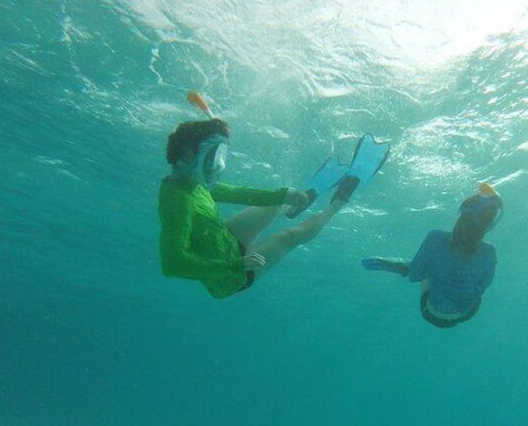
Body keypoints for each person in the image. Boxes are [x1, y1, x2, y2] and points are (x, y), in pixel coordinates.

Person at [158, 118, 388, 298]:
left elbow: (236, 193)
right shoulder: (177, 201)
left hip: (226, 240)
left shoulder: (193, 181)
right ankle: (340, 200)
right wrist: (235, 265)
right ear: (187, 156)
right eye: (212, 157)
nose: (216, 166)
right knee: (289, 237)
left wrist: (283, 194)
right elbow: (172, 264)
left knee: (274, 202)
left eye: (219, 156)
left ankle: (295, 202)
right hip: (231, 276)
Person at [361, 183, 502, 328]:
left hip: (432, 312)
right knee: (459, 276)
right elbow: (483, 285)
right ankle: (412, 267)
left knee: (426, 267)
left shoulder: (435, 237)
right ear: (490, 223)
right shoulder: (490, 252)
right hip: (466, 314)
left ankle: (402, 267)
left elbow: (415, 276)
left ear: (461, 212)